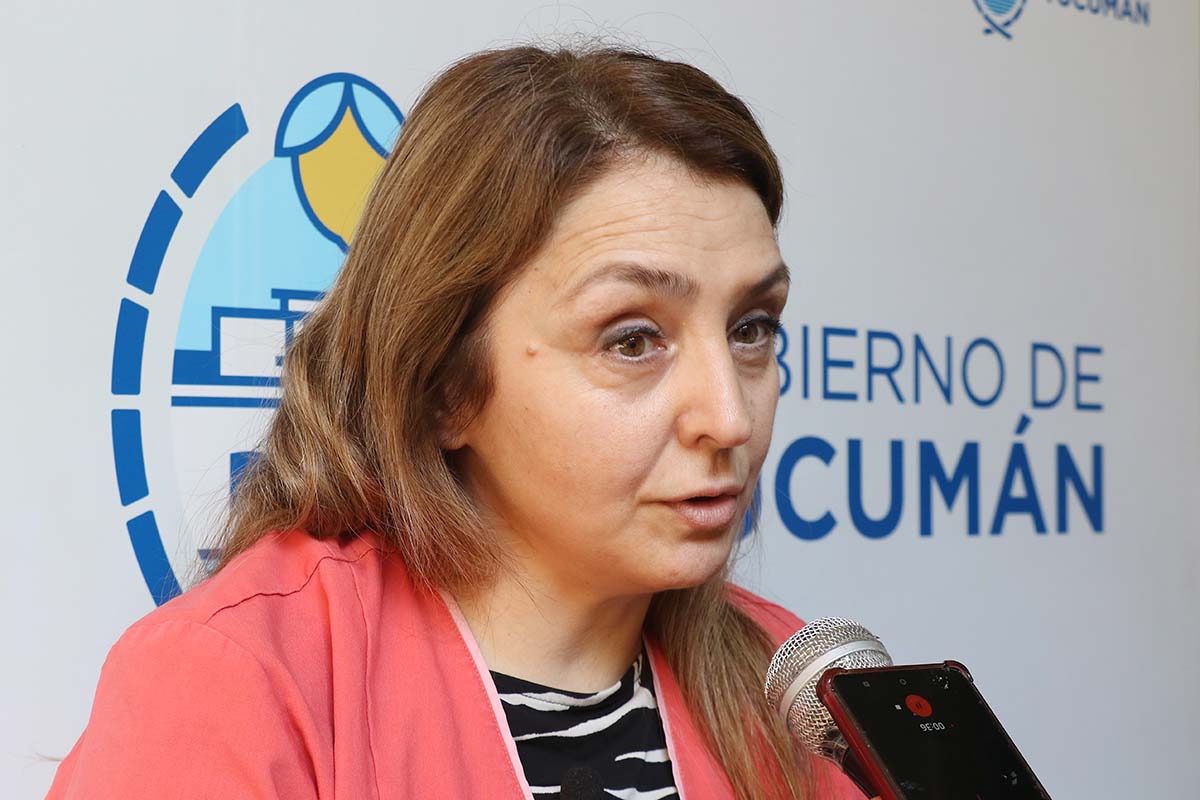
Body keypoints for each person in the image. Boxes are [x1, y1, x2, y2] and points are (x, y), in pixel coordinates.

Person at [46, 45, 867, 800]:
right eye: (631, 341)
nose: (729, 418)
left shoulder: (797, 690)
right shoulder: (238, 682)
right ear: (443, 384)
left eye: (751, 328)